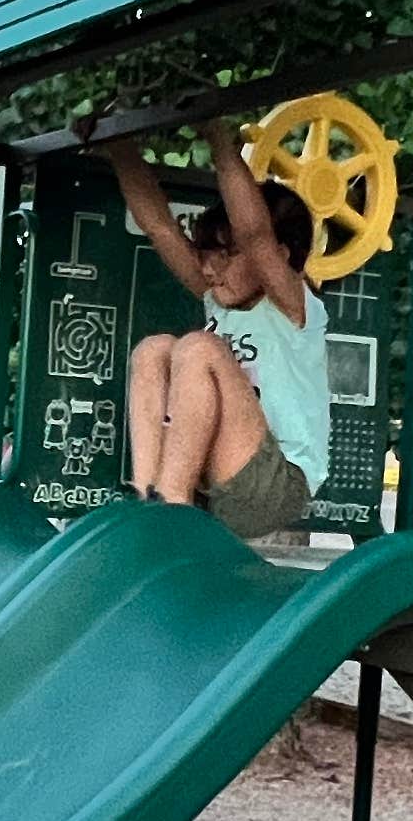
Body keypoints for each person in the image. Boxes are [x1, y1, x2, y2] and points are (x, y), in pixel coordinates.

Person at [106, 113, 330, 540]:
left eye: (225, 255)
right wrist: (118, 147)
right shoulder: (219, 301)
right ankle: (146, 494)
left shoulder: (293, 305)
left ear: (281, 255)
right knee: (155, 348)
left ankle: (170, 501)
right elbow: (159, 226)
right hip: (219, 481)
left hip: (275, 485)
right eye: (206, 254)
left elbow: (256, 235)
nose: (209, 269)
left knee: (199, 348)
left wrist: (221, 143)